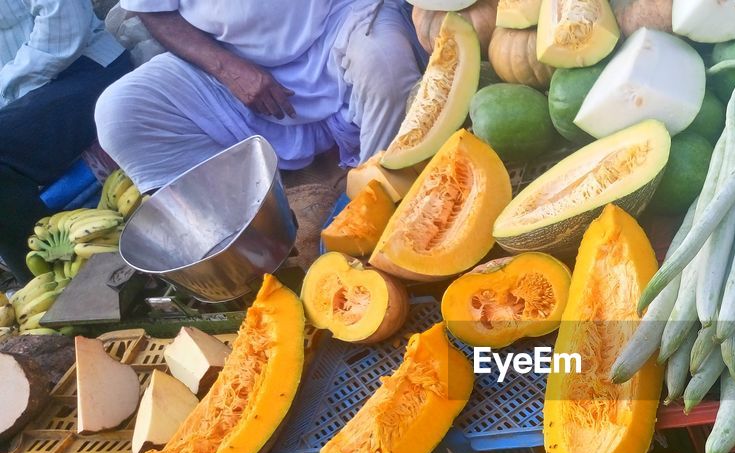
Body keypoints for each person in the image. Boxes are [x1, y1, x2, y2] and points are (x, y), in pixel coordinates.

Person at [94, 0, 421, 194]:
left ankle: (378, 197)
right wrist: (225, 67)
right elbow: (155, 11)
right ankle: (251, 222)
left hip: (339, 23)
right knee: (120, 112)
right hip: (231, 59)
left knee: (385, 64)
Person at [1, 0, 129, 282]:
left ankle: (52, 285)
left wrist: (7, 94)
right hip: (20, 92)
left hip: (83, 65)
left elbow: (64, 25)